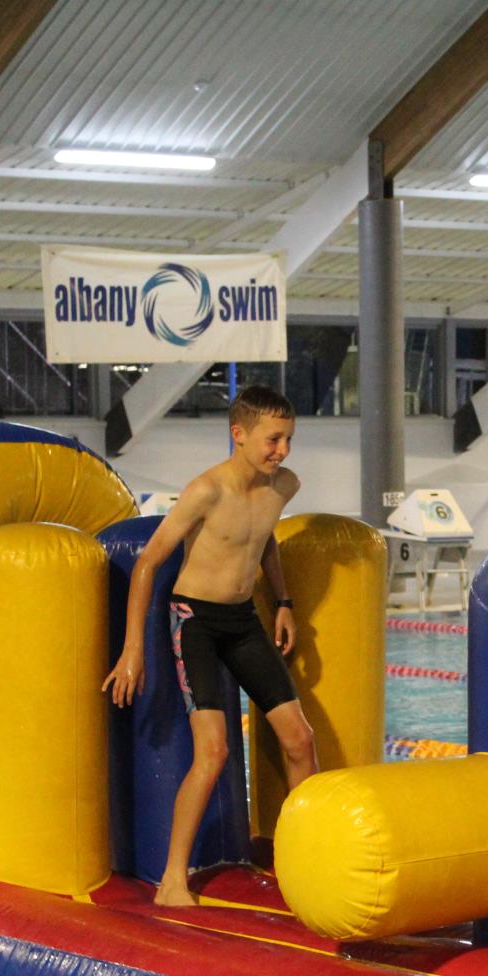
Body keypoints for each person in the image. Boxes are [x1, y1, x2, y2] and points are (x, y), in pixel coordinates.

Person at [101, 383, 319, 906]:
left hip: (243, 620)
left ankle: (309, 860)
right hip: (194, 622)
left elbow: (262, 537)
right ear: (238, 435)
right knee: (214, 751)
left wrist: (283, 600)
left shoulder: (283, 485)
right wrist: (133, 650)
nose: (281, 451)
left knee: (300, 740)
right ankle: (174, 878)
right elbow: (150, 562)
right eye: (272, 439)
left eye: (288, 439)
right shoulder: (206, 490)